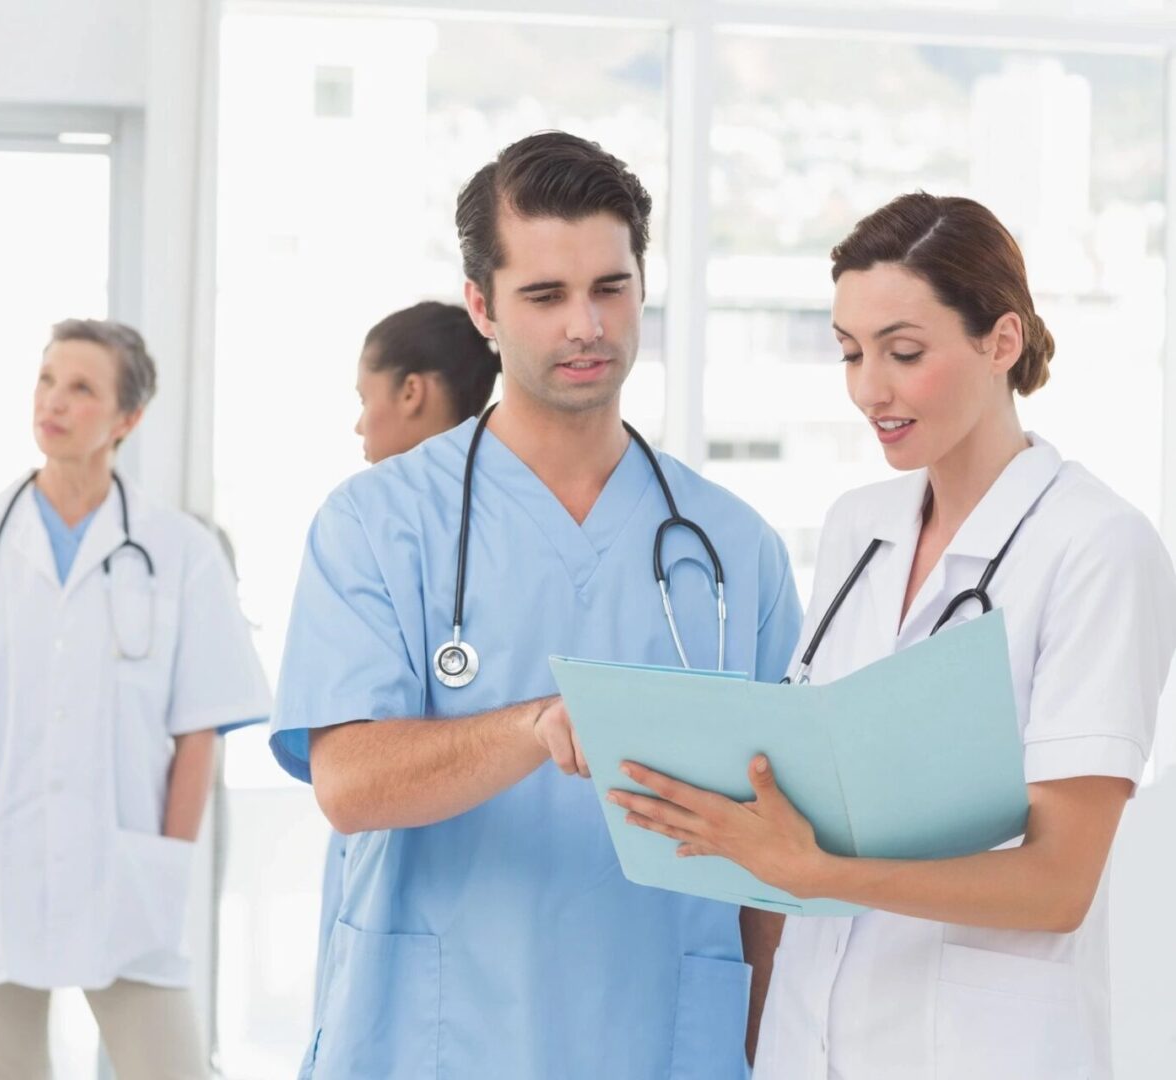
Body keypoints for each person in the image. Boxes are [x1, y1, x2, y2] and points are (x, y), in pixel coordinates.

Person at [602, 193, 1176, 1078]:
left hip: (982, 1051)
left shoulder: (1097, 546)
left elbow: (1060, 882)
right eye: (850, 352)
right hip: (812, 1039)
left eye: (904, 352)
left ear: (1002, 342)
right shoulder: (857, 527)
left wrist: (817, 873)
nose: (871, 388)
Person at [270, 131, 803, 1078]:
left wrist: (767, 1040)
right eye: (545, 296)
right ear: (482, 307)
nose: (585, 326)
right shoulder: (379, 524)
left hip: (664, 1033)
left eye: (610, 288)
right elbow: (347, 782)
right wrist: (539, 726)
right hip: (435, 1036)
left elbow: (778, 850)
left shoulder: (733, 548)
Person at [0, 318, 270, 1080]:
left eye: (80, 388)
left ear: (128, 419)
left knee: (170, 1069)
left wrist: (166, 861)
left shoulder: (179, 551)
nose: (53, 401)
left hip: (126, 870)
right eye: (47, 379)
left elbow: (198, 734)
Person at [314, 300, 500, 1002]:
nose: (362, 422)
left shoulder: (362, 519)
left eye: (367, 397)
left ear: (412, 391)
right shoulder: (370, 523)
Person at [352, 300, 500, 463]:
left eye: (364, 401)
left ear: (411, 392)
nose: (358, 428)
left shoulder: (360, 489)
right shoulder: (510, 479)